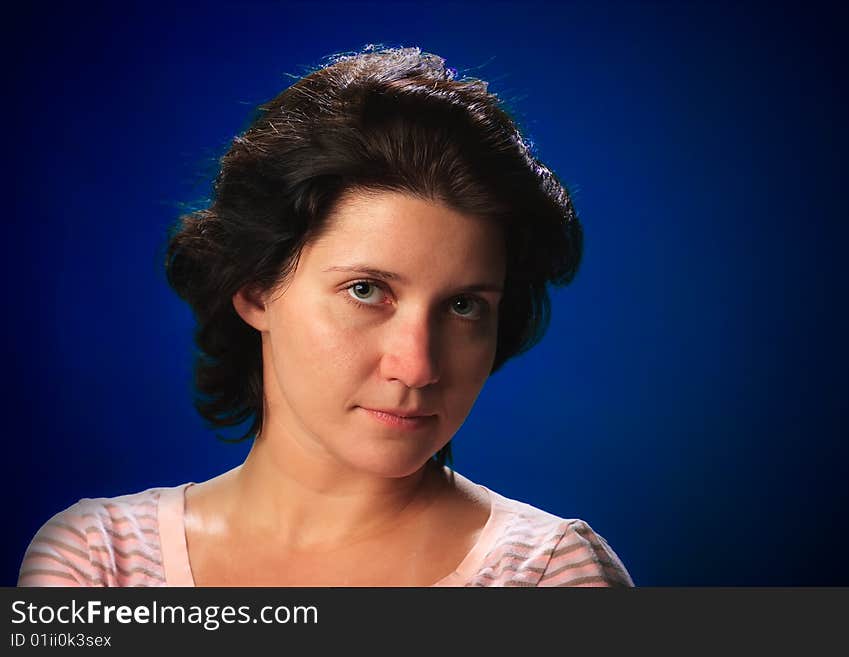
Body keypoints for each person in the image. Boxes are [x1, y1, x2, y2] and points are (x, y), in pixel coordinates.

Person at [18, 46, 633, 587]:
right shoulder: (97, 561)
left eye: (464, 305)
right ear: (256, 288)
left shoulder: (549, 576)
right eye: (367, 290)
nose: (417, 366)